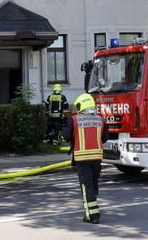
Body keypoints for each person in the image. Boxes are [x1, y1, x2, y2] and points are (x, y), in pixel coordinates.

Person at [63, 93, 108, 224]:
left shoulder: (74, 120)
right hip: (97, 157)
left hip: (82, 158)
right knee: (93, 185)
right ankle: (92, 205)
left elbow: (66, 137)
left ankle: (92, 215)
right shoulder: (100, 119)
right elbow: (105, 138)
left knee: (86, 186)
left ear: (80, 106)